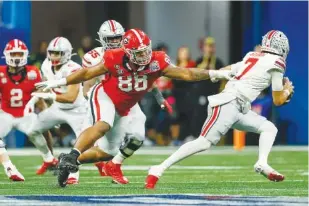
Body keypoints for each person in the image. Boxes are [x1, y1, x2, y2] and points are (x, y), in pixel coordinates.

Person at [35, 29, 232, 187]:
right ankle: (73, 154)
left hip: (128, 104)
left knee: (111, 150)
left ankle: (70, 162)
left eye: (146, 50)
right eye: (139, 53)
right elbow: (87, 73)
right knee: (103, 125)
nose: (145, 55)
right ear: (128, 52)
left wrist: (215, 74)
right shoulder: (114, 57)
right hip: (106, 95)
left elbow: (186, 74)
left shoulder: (157, 60)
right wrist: (58, 82)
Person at [145, 30, 293, 189]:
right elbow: (278, 100)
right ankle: (158, 168)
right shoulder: (277, 62)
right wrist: (287, 90)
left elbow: (230, 68)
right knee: (204, 142)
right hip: (229, 103)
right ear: (282, 47)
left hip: (239, 107)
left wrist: (218, 75)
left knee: (269, 128)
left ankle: (262, 163)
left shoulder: (252, 56)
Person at [81, 20, 172, 180]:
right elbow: (87, 85)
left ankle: (113, 164)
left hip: (127, 99)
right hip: (103, 100)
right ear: (102, 39)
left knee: (137, 136)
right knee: (101, 142)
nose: (115, 42)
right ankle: (72, 163)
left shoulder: (132, 52)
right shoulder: (94, 57)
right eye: (111, 39)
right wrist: (93, 105)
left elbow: (147, 78)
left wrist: (159, 98)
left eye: (118, 37)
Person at [26, 37, 87, 180]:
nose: (53, 56)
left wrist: (49, 97)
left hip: (77, 110)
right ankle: (48, 159)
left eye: (57, 53)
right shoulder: (46, 65)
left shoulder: (73, 69)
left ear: (66, 53)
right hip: (58, 108)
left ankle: (73, 174)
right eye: (51, 53)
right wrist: (34, 100)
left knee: (81, 144)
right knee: (31, 130)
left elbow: (71, 97)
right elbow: (45, 88)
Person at [0, 39, 55, 181]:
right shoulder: (1, 73)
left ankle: (49, 159)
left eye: (19, 54)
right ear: (7, 55)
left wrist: (47, 114)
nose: (16, 57)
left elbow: (41, 97)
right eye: (14, 54)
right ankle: (9, 168)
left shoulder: (33, 72)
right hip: (6, 113)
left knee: (39, 131)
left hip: (26, 114)